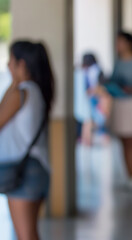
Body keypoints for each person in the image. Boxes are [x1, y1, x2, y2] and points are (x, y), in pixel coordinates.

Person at [0, 40, 55, 240]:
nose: (8, 66)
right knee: (30, 234)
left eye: (11, 60)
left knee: (25, 235)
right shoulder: (35, 91)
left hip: (23, 170)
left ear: (22, 65)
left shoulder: (21, 92)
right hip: (37, 168)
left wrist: (14, 83)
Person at [106, 32, 132, 188]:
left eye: (121, 42)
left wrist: (131, 88)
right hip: (120, 104)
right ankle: (128, 175)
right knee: (123, 141)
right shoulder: (118, 62)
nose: (118, 46)